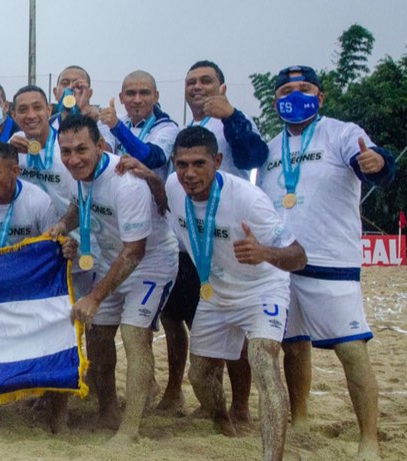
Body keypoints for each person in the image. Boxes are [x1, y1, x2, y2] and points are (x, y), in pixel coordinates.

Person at [127, 125, 304, 460]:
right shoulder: (173, 186)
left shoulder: (249, 200)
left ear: (218, 161)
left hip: (261, 289)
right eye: (182, 164)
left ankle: (273, 456)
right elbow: (164, 202)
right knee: (200, 376)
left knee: (264, 361)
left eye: (199, 164)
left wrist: (265, 253)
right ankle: (223, 422)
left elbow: (299, 256)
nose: (190, 174)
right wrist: (150, 176)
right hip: (215, 292)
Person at [258, 65, 394, 460]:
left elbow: (374, 163)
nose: (294, 96)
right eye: (286, 90)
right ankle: (300, 419)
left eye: (304, 88)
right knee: (293, 347)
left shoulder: (341, 132)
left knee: (351, 350)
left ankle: (368, 439)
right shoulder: (270, 148)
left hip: (332, 263)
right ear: (275, 100)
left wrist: (379, 163)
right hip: (282, 264)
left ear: (320, 97)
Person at [48, 114, 178, 442]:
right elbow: (78, 206)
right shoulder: (77, 173)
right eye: (66, 151)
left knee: (135, 336)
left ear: (100, 146)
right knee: (97, 337)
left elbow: (135, 251)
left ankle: (130, 429)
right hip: (110, 260)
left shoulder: (126, 182)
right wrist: (62, 225)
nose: (73, 159)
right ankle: (108, 411)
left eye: (81, 150)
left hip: (150, 262)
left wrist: (94, 297)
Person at [156, 60, 271, 418]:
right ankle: (176, 392)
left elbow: (255, 157)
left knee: (230, 329)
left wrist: (231, 116)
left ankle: (239, 406)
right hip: (189, 241)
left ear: (222, 87)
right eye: (190, 82)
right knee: (174, 319)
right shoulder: (187, 130)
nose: (197, 87)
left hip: (226, 240)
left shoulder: (233, 120)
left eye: (205, 81)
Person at [99, 70, 180, 180]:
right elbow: (101, 155)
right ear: (121, 98)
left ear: (156, 97)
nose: (137, 100)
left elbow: (153, 158)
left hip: (151, 191)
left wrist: (117, 127)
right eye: (131, 93)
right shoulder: (116, 120)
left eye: (144, 93)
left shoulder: (167, 128)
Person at [8, 85, 74, 218]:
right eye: (23, 110)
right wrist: (8, 156)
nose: (31, 115)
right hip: (28, 227)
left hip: (66, 227)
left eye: (37, 108)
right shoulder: (13, 143)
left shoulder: (67, 146)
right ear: (14, 116)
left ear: (49, 110)